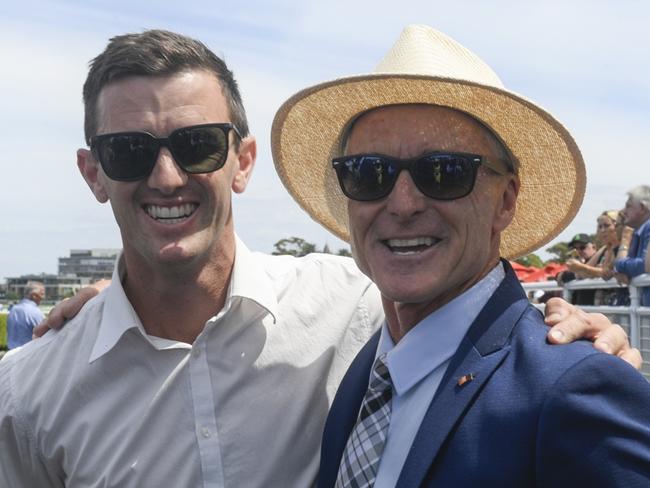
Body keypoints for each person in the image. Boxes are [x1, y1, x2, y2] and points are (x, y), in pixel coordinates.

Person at [0, 29, 637, 488]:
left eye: (446, 172)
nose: (167, 177)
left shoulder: (352, 307)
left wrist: (574, 340)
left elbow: (500, 343)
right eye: (369, 174)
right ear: (93, 173)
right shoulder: (30, 389)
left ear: (241, 161)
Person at [271, 25, 650, 486]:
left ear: (505, 200)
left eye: (444, 172)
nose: (403, 203)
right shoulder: (366, 369)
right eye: (369, 173)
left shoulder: (573, 385)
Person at [614, 185, 650, 305]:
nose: (623, 211)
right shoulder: (638, 231)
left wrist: (619, 264)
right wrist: (620, 270)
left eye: (628, 206)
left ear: (642, 208)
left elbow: (644, 265)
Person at [6, 281, 45, 349]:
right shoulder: (36, 312)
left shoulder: (13, 309)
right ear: (34, 295)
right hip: (28, 355)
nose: (43, 297)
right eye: (42, 294)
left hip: (10, 354)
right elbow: (45, 336)